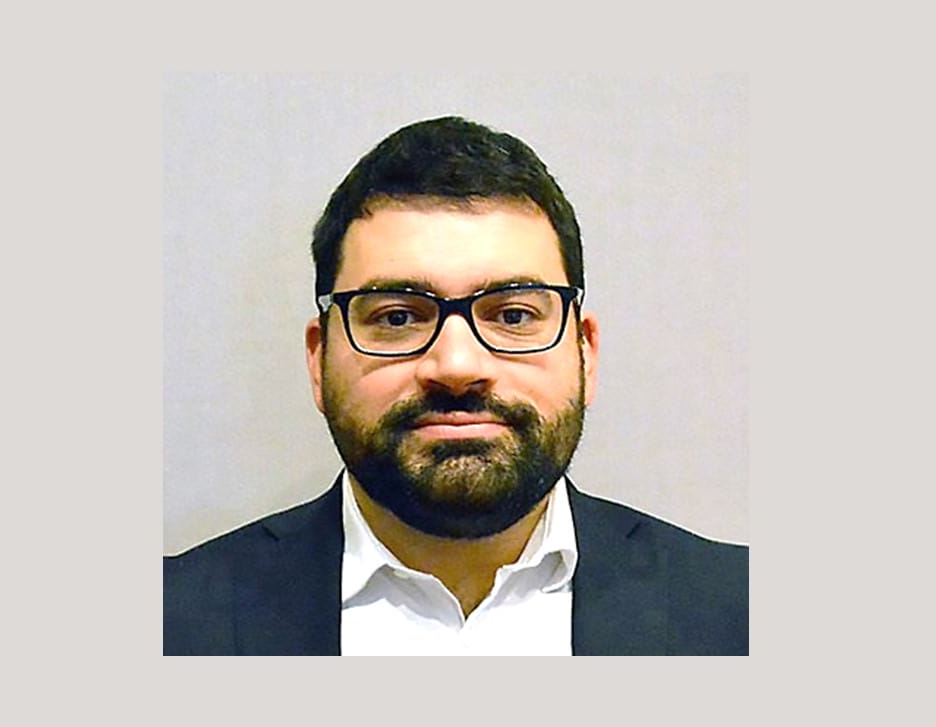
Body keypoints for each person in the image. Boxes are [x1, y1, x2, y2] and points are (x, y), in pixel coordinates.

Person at [163, 116, 749, 655]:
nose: (457, 365)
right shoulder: (171, 624)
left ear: (585, 353)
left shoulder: (742, 617)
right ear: (319, 360)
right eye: (397, 317)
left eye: (513, 315)